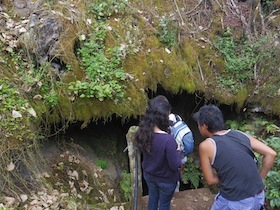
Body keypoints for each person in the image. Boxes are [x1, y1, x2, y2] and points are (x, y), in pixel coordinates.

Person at [193, 104, 277, 210]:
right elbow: (271, 154)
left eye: (198, 124)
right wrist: (260, 178)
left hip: (236, 201)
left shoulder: (206, 145)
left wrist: (229, 177)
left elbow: (210, 180)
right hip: (258, 196)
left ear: (204, 126)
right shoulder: (239, 134)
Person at [135, 95, 181, 210]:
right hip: (166, 180)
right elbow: (175, 165)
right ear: (164, 116)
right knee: (164, 204)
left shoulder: (143, 133)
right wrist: (178, 151)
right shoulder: (168, 140)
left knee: (153, 198)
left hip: (150, 176)